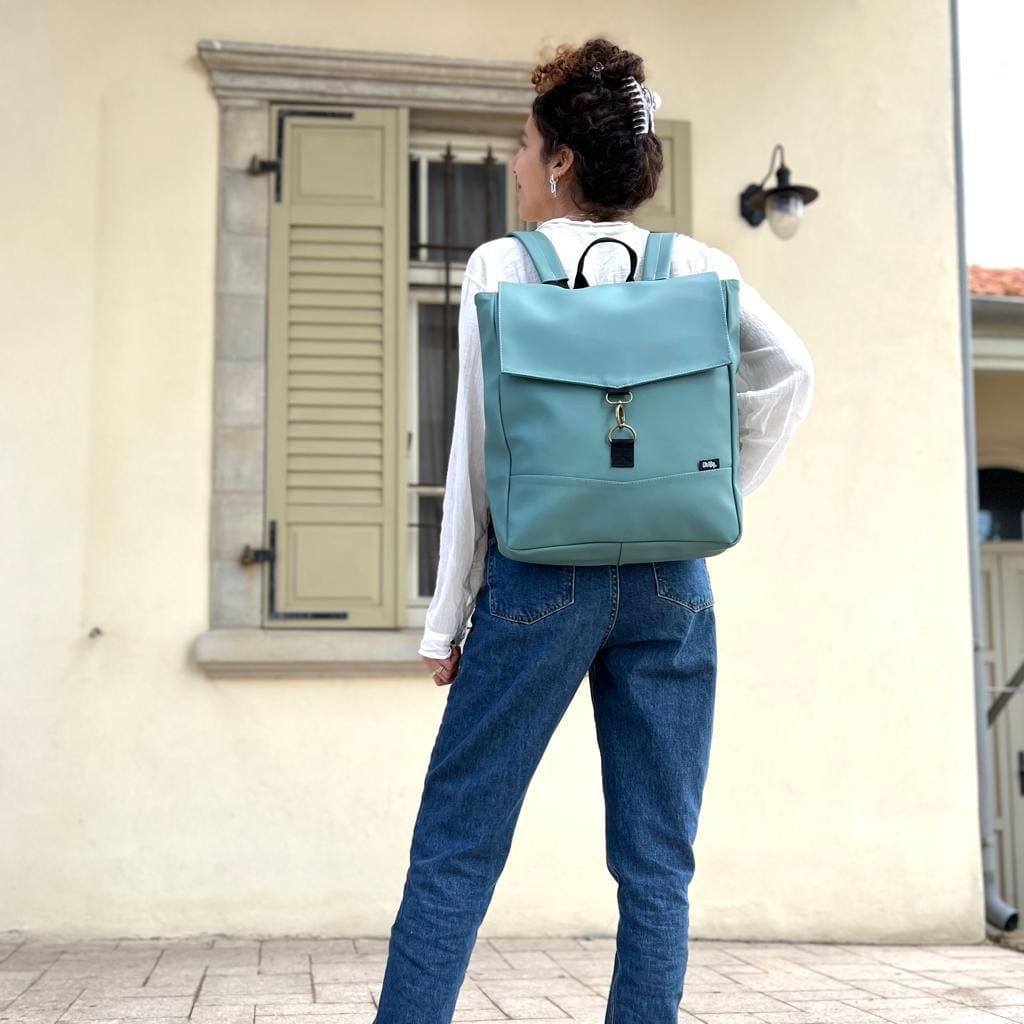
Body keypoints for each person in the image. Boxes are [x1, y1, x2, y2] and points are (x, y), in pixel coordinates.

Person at [373, 36, 815, 1024]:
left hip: (539, 576)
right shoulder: (696, 264)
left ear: (562, 160)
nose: (514, 162)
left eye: (525, 146)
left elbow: (473, 453)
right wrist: (712, 492)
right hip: (670, 580)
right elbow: (792, 372)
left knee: (457, 846)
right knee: (657, 862)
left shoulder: (500, 266)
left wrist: (446, 621)